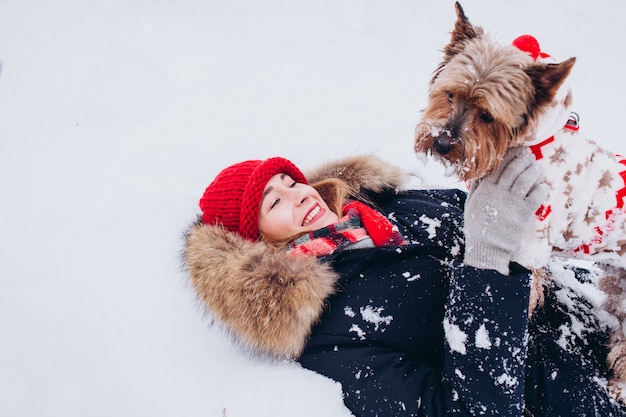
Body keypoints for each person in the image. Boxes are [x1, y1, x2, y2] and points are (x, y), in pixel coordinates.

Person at [183, 151, 626, 416]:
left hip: (605, 304)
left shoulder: (396, 205)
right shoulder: (326, 330)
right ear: (258, 244)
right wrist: (488, 266)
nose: (301, 194)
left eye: (291, 181)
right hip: (581, 395)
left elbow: (522, 225)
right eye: (274, 201)